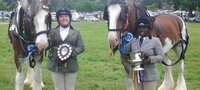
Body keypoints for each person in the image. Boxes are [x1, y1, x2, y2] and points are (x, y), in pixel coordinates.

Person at [47, 8, 84, 90]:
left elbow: (81, 47)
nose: (64, 18)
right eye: (61, 16)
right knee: (59, 88)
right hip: (55, 63)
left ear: (70, 18)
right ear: (58, 19)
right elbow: (47, 47)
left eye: (66, 16)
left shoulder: (76, 32)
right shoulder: (52, 31)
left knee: (70, 88)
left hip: (71, 64)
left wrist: (69, 54)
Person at [126, 17, 164, 90]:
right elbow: (126, 51)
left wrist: (150, 59)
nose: (141, 30)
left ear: (149, 29)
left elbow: (160, 57)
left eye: (144, 28)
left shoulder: (155, 41)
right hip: (136, 74)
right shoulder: (133, 40)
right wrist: (123, 39)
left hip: (149, 74)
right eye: (139, 28)